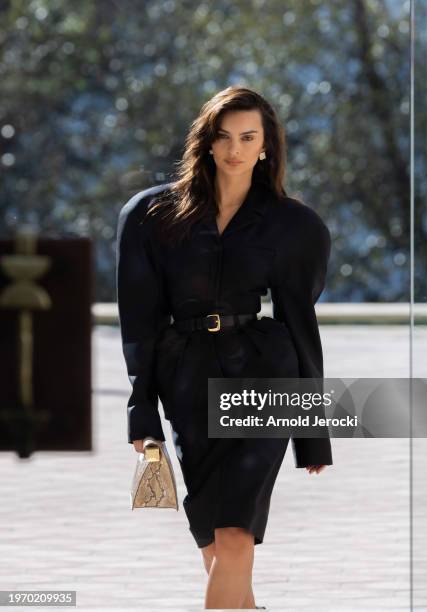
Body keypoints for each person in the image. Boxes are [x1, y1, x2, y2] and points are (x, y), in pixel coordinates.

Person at [116, 85, 333, 610]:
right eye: (224, 136)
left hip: (266, 377)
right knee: (215, 542)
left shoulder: (294, 225)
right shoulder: (150, 215)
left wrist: (313, 433)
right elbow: (139, 322)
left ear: (266, 146)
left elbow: (300, 325)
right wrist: (141, 413)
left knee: (235, 534)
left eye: (248, 137)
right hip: (186, 381)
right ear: (207, 142)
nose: (235, 148)